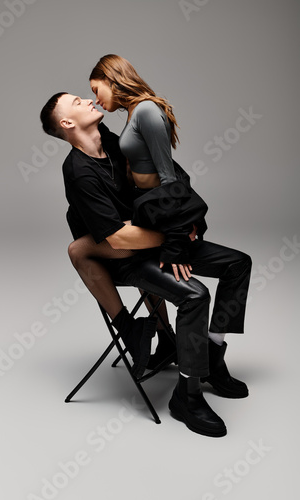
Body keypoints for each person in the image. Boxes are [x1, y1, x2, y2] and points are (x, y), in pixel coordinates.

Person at [40, 91, 252, 438]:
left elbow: (162, 170)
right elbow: (117, 240)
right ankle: (188, 395)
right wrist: (175, 239)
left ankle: (211, 358)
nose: (86, 100)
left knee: (238, 264)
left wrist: (185, 218)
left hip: (160, 240)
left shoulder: (111, 141)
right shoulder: (78, 172)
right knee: (195, 296)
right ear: (66, 123)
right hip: (125, 258)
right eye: (76, 102)